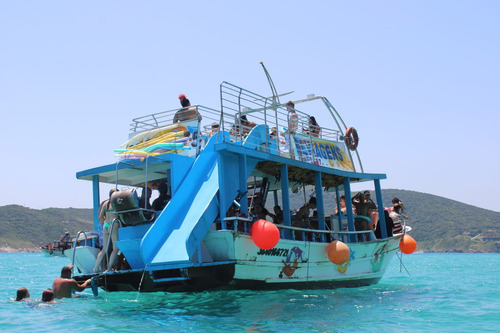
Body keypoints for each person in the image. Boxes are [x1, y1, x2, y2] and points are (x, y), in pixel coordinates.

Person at [93, 189, 119, 273]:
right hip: (113, 224)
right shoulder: (116, 202)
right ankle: (109, 268)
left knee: (104, 249)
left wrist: (106, 219)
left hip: (105, 225)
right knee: (115, 249)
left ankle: (96, 268)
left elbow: (100, 217)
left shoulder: (105, 203)